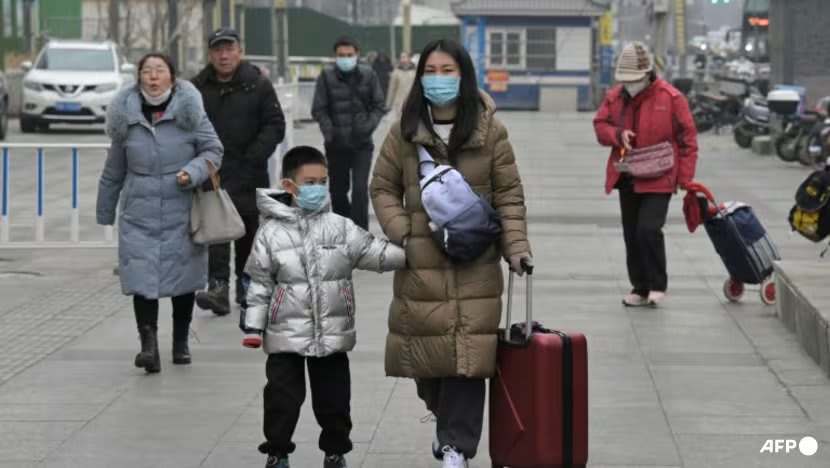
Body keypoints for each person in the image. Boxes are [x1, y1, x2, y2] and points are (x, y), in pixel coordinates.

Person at [370, 39, 531, 467]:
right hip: (422, 264)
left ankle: (456, 447)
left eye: (448, 71)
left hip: (476, 261)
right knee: (428, 365)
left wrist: (516, 248)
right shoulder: (404, 131)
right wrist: (404, 233)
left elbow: (509, 195)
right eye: (431, 71)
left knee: (468, 359)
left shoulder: (490, 131)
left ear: (464, 76)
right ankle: (448, 426)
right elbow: (382, 187)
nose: (438, 79)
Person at [240, 146, 406, 468]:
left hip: (331, 332)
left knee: (335, 400)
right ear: (289, 185)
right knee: (281, 399)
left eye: (322, 182)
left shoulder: (340, 227)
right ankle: (277, 452)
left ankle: (335, 451)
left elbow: (375, 252)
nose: (318, 188)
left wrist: (416, 252)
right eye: (310, 182)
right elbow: (259, 283)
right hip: (285, 332)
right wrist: (253, 327)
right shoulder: (270, 233)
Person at [96, 53, 223, 373]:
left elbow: (213, 151)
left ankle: (180, 342)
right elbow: (113, 170)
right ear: (138, 77)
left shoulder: (190, 113)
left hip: (182, 210)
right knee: (141, 279)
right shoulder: (127, 117)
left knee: (183, 279)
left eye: (160, 70)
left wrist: (192, 172)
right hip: (138, 212)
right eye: (147, 71)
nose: (153, 77)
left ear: (172, 77)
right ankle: (148, 347)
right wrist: (105, 211)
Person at [593, 41, 698, 307]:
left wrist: (685, 178)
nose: (630, 84)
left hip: (660, 176)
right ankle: (639, 287)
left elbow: (688, 140)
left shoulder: (671, 98)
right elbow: (600, 125)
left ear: (647, 74)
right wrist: (618, 135)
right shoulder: (616, 97)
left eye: (634, 79)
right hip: (628, 176)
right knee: (631, 234)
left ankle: (657, 284)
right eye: (625, 80)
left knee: (649, 229)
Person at [192, 27, 286, 316]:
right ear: (210, 55)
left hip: (249, 170)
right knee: (217, 230)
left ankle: (246, 286)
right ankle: (218, 287)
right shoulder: (197, 88)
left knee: (247, 230)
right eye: (218, 50)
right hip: (213, 171)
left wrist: (255, 154)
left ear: (239, 52)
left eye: (229, 49)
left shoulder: (257, 84)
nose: (224, 55)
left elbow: (275, 125)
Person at [311, 36, 386, 231]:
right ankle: (342, 230)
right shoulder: (326, 77)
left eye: (349, 55)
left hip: (362, 145)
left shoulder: (368, 75)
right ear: (335, 56)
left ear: (357, 54)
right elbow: (318, 109)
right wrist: (330, 132)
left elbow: (379, 105)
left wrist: (367, 127)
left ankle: (360, 233)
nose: (345, 59)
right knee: (338, 191)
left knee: (360, 190)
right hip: (336, 145)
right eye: (341, 55)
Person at [386, 51, 416, 115]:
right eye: (401, 57)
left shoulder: (415, 72)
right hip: (399, 104)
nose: (403, 59)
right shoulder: (396, 72)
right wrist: (389, 104)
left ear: (409, 58)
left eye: (404, 57)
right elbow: (392, 88)